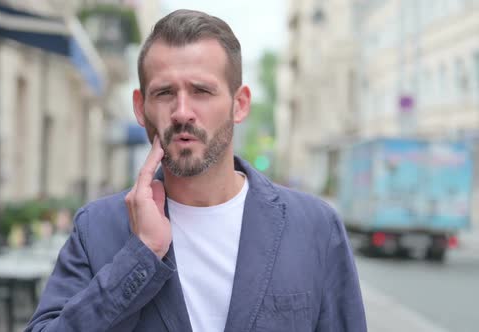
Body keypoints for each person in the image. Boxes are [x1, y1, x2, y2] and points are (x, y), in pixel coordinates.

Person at [26, 9, 366, 332]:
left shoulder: (314, 228)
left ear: (240, 104)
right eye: (164, 92)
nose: (183, 112)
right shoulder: (97, 228)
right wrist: (140, 256)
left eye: (201, 91)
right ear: (140, 108)